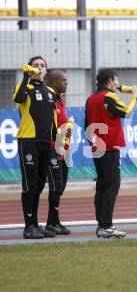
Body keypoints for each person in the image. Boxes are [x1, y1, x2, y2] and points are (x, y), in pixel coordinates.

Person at [85, 68, 137, 238]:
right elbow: (127, 112)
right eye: (116, 80)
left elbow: (86, 123)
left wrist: (93, 142)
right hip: (110, 147)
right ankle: (107, 226)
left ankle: (101, 224)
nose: (117, 84)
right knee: (112, 186)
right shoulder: (109, 97)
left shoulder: (91, 98)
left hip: (97, 147)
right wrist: (135, 96)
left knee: (102, 186)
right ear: (110, 80)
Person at [13, 56, 57, 239]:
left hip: (45, 143)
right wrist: (25, 76)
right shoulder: (25, 88)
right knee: (30, 185)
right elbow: (18, 98)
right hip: (28, 141)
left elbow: (53, 120)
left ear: (46, 70)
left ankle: (36, 225)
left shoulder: (50, 91)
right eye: (36, 65)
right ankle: (28, 226)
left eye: (42, 65)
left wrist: (57, 143)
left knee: (39, 184)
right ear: (31, 69)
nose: (39, 68)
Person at [43, 70, 72, 235]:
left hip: (64, 148)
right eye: (63, 80)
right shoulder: (49, 99)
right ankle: (51, 223)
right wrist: (58, 146)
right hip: (54, 147)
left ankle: (53, 221)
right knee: (55, 185)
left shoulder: (60, 99)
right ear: (53, 82)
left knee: (60, 185)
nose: (66, 83)